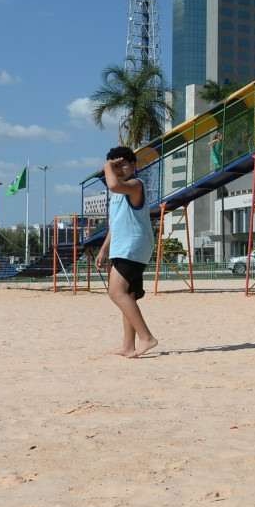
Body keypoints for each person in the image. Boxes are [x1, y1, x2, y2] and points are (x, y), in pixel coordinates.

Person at [94, 146, 159, 358]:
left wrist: (107, 166)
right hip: (123, 246)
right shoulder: (117, 194)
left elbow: (113, 184)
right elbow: (115, 224)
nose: (119, 169)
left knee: (116, 293)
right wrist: (104, 249)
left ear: (134, 165)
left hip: (133, 246)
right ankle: (128, 345)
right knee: (128, 296)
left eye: (123, 164)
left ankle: (146, 337)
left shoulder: (134, 185)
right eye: (115, 165)